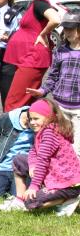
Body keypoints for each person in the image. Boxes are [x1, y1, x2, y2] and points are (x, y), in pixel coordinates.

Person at [0, 98, 80, 215]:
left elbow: (43, 161)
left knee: (31, 202)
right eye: (30, 119)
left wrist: (34, 186)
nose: (32, 122)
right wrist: (32, 165)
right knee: (19, 160)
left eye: (36, 118)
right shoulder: (42, 130)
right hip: (55, 176)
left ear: (49, 117)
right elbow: (33, 151)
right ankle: (19, 200)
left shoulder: (49, 133)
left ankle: (68, 199)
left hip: (69, 185)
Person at [2, 0, 60, 112]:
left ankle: (11, 134)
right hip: (28, 57)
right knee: (27, 103)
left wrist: (42, 34)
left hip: (32, 58)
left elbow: (55, 19)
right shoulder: (37, 2)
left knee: (14, 104)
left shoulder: (40, 3)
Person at [25, 9, 80, 156]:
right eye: (66, 29)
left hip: (78, 108)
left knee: (77, 149)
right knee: (60, 144)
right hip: (60, 106)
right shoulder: (60, 51)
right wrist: (42, 91)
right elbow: (53, 76)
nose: (68, 32)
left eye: (72, 29)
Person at [0, 106, 33, 199]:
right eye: (32, 120)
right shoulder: (6, 118)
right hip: (3, 166)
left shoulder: (42, 124)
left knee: (18, 196)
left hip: (23, 168)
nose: (34, 123)